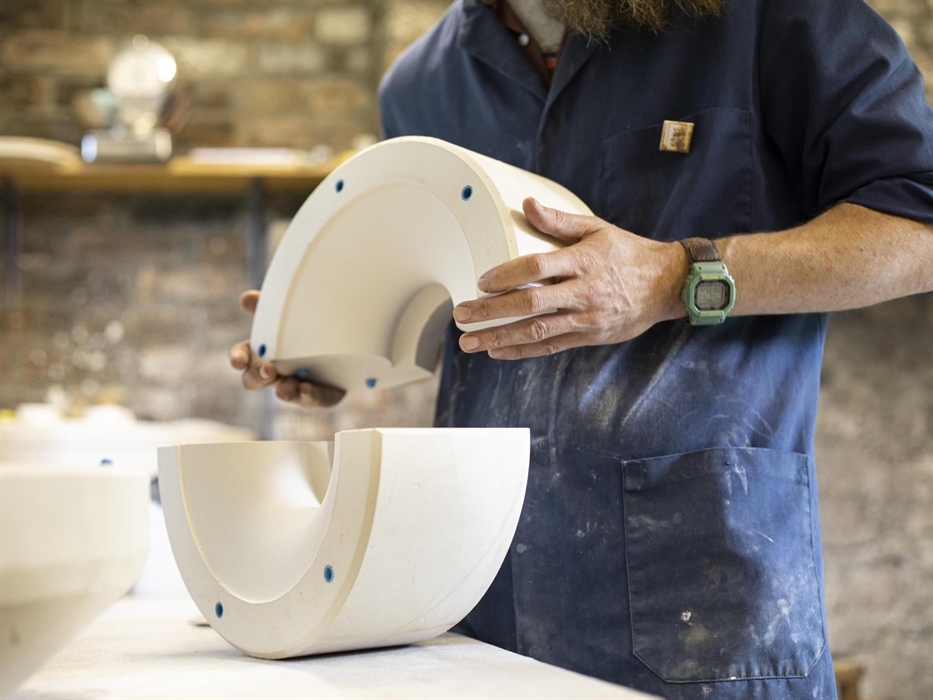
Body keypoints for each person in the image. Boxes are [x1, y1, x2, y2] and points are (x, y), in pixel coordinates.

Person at [230, 0, 933, 696]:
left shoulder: (777, 18)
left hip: (700, 587)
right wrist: (329, 351)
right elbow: (465, 309)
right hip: (476, 589)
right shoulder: (419, 84)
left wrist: (671, 278)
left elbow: (918, 229)